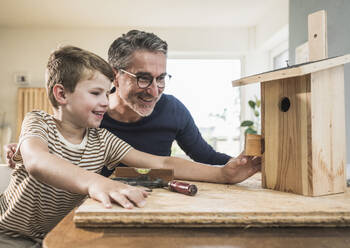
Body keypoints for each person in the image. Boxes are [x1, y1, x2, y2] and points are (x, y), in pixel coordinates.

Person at [0, 46, 260, 247]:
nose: (105, 101)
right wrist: (95, 182)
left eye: (107, 92)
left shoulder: (103, 140)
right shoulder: (39, 122)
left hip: (57, 234)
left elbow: (163, 163)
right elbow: (37, 162)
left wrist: (223, 173)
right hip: (10, 234)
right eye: (95, 93)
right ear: (61, 94)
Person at [5, 30, 233, 174]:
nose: (154, 91)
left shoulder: (173, 110)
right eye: (143, 78)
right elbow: (51, 146)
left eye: (161, 78)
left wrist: (244, 166)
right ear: (115, 75)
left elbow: (202, 158)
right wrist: (25, 147)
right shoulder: (88, 115)